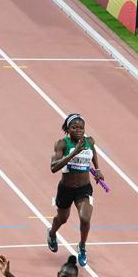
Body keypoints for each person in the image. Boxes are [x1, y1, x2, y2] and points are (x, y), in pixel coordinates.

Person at [47, 113, 102, 267]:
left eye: (81, 128)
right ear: (68, 129)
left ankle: (82, 246)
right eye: (74, 127)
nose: (78, 130)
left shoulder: (89, 141)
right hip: (66, 189)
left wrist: (98, 169)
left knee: (85, 218)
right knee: (62, 219)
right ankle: (52, 233)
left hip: (84, 189)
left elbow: (93, 152)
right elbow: (53, 167)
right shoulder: (62, 144)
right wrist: (74, 153)